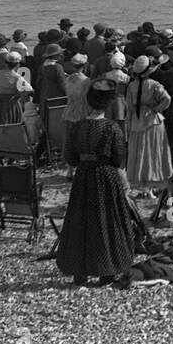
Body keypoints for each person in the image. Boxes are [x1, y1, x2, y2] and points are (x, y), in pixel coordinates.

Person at [55, 78, 139, 287]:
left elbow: (71, 158)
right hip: (106, 176)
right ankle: (107, 269)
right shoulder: (112, 129)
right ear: (108, 103)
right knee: (107, 221)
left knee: (81, 222)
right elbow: (119, 159)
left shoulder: (77, 127)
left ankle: (80, 269)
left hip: (83, 176)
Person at [125, 51, 173, 192]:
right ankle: (153, 181)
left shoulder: (132, 86)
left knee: (139, 150)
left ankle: (143, 183)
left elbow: (128, 106)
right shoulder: (154, 84)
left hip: (137, 120)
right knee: (153, 150)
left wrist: (129, 121)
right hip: (152, 120)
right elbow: (167, 99)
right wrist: (157, 109)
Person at [0, 50, 32, 125]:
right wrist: (18, 95)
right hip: (12, 104)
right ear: (17, 64)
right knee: (14, 123)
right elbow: (29, 90)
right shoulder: (17, 77)